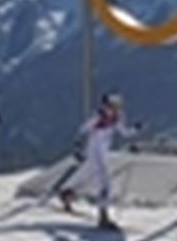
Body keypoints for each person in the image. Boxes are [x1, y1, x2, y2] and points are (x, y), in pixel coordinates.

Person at [59, 92, 141, 230]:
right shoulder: (98, 116)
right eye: (114, 105)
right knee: (105, 185)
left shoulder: (116, 117)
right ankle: (103, 217)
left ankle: (67, 192)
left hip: (101, 154)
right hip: (94, 153)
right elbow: (83, 130)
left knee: (85, 176)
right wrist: (78, 148)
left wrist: (135, 129)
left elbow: (124, 132)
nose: (117, 108)